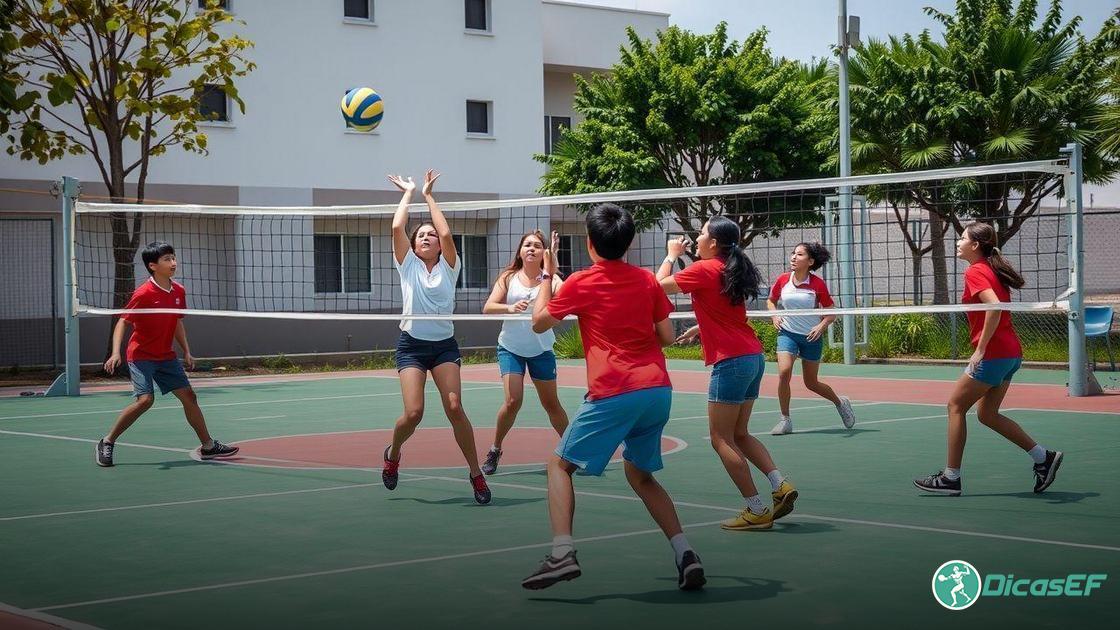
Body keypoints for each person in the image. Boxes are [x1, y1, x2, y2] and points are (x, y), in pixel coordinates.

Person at [521, 203, 704, 592]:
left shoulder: (580, 283)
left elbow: (538, 323)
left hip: (615, 391)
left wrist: (547, 277)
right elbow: (668, 337)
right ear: (630, 242)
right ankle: (685, 552)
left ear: (589, 244)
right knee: (640, 474)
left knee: (559, 467)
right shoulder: (647, 281)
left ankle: (561, 553)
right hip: (657, 390)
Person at [658, 217, 797, 530]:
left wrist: (671, 255)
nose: (697, 237)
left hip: (732, 361)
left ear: (714, 243)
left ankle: (756, 508)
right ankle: (780, 485)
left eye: (703, 232)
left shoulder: (704, 268)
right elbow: (722, 311)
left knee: (720, 439)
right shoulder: (728, 267)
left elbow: (657, 286)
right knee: (740, 434)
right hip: (752, 356)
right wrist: (700, 327)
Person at [914, 222, 1062, 496]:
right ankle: (1044, 457)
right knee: (987, 414)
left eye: (961, 238)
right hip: (1010, 354)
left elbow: (993, 306)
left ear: (975, 245)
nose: (957, 242)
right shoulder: (991, 269)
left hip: (994, 354)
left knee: (955, 406)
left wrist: (980, 349)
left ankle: (950, 478)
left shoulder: (976, 271)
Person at [382, 169, 491, 505]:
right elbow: (397, 227)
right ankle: (394, 452)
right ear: (414, 246)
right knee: (413, 413)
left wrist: (429, 196)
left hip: (444, 346)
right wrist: (410, 192)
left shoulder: (449, 265)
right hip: (412, 347)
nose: (427, 237)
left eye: (431, 235)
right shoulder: (408, 265)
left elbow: (445, 232)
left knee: (455, 407)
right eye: (421, 236)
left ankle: (475, 474)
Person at [97, 241, 239, 466]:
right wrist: (115, 353)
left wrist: (187, 350)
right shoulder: (143, 293)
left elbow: (176, 322)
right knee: (145, 400)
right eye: (167, 259)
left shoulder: (179, 290)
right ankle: (107, 441)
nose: (173, 263)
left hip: (166, 356)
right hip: (141, 355)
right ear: (153, 266)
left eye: (173, 258)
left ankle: (208, 446)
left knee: (190, 397)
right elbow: (123, 321)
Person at [480, 229, 569, 474]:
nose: (531, 248)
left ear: (544, 253)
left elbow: (562, 296)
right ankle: (495, 449)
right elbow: (488, 307)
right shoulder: (509, 277)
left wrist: (553, 264)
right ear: (520, 251)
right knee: (512, 401)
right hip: (511, 348)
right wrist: (509, 308)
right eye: (527, 245)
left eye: (537, 246)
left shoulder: (551, 279)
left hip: (541, 349)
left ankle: (573, 449)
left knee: (551, 404)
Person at [766, 242, 856, 435]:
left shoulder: (817, 284)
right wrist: (775, 315)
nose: (793, 257)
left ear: (810, 261)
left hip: (811, 337)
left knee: (811, 383)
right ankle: (785, 419)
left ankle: (840, 403)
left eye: (799, 254)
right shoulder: (783, 280)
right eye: (793, 253)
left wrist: (821, 326)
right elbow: (770, 300)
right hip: (787, 333)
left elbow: (831, 313)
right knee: (784, 373)